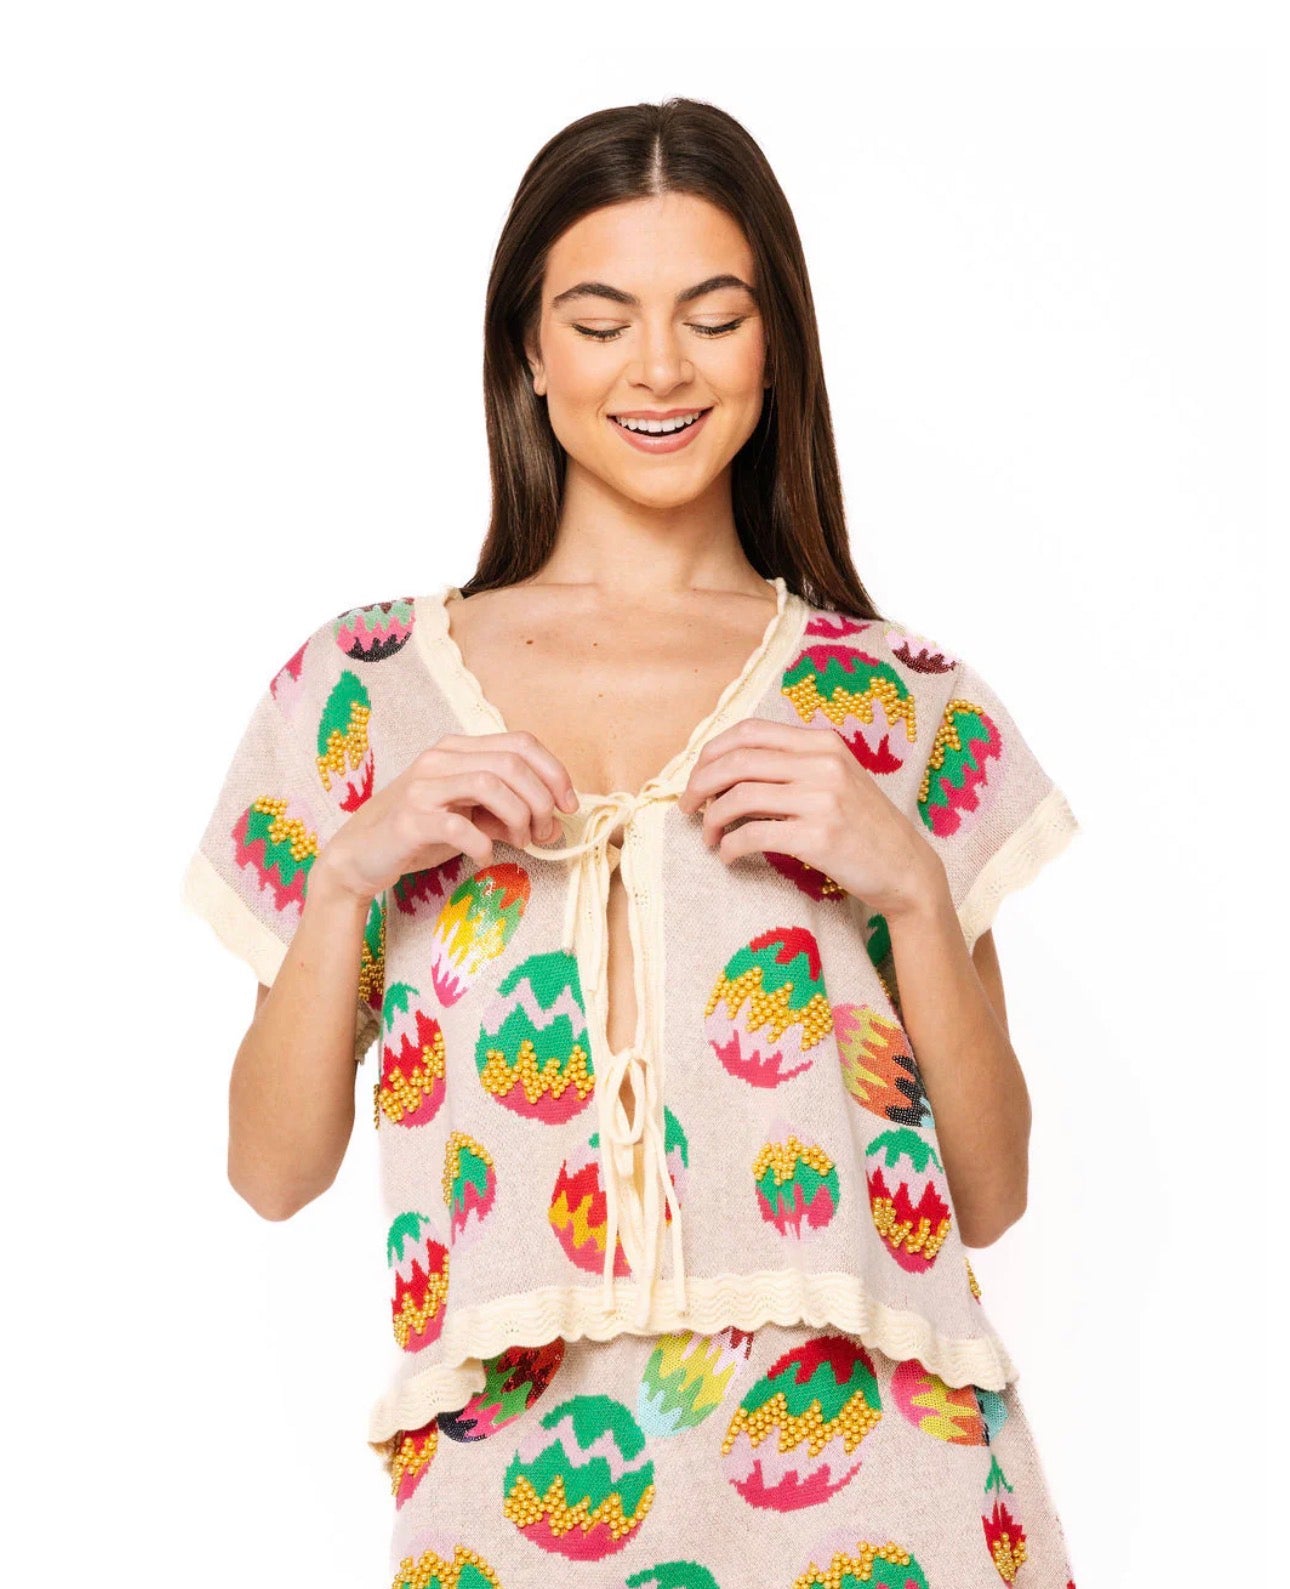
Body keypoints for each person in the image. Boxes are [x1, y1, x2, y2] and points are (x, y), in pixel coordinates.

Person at [182, 98, 1081, 1588]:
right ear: (529, 355)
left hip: (882, 1491)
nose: (658, 368)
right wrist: (347, 875)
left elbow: (990, 1193)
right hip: (511, 1496)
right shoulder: (359, 692)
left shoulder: (901, 702)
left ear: (774, 348)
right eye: (600, 322)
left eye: (712, 318)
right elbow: (270, 1171)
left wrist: (913, 889)